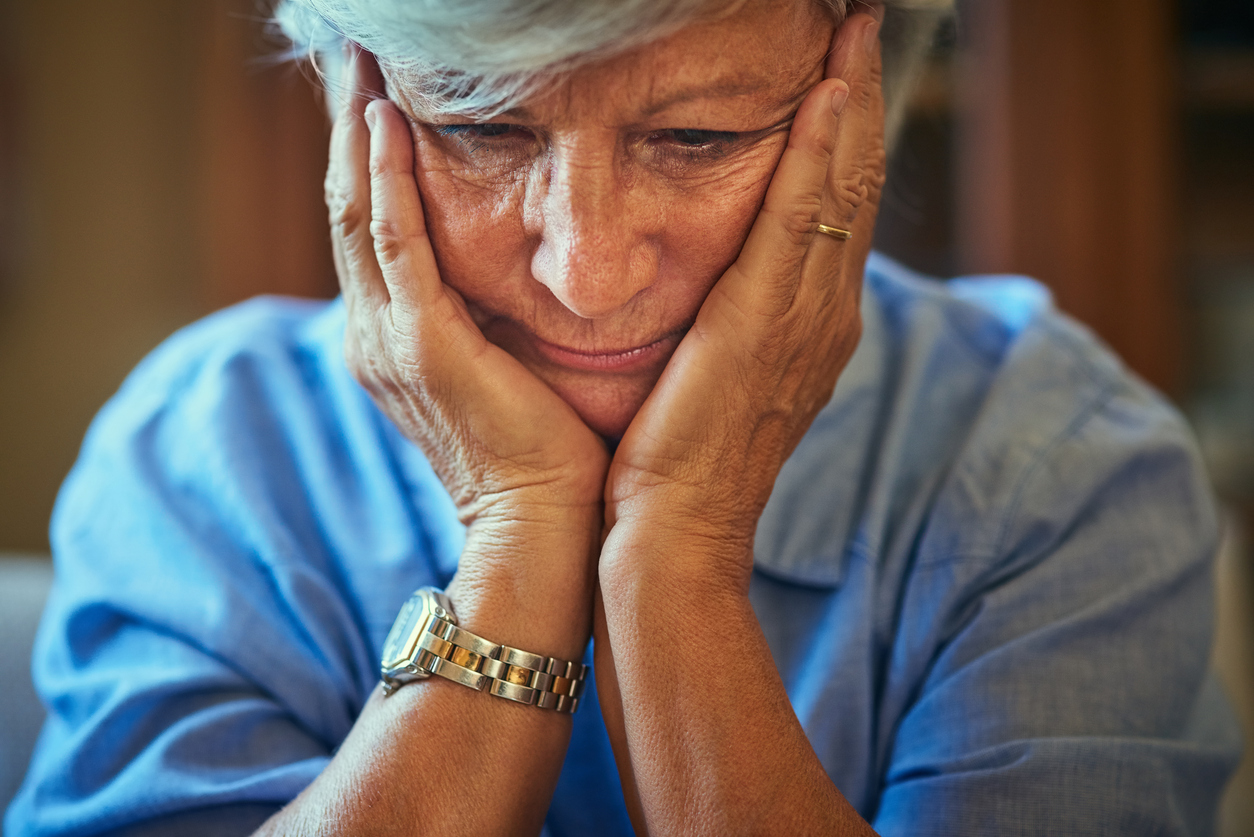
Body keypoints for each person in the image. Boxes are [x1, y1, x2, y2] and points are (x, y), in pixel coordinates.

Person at [5, 0, 1240, 834]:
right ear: (347, 115)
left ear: (865, 115)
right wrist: (519, 529)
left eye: (696, 138)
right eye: (480, 127)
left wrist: (680, 550)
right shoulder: (208, 450)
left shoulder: (1059, 455)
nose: (585, 270)